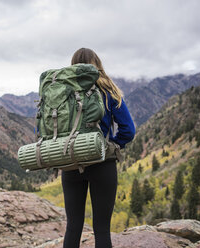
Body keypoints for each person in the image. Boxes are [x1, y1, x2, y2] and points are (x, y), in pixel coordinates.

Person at [61, 48, 135, 248]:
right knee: (101, 228)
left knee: (73, 226)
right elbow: (128, 130)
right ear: (97, 64)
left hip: (70, 162)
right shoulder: (107, 90)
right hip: (102, 164)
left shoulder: (62, 91)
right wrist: (112, 145)